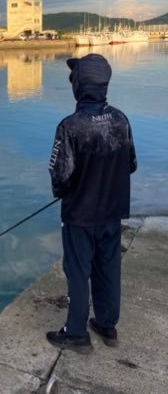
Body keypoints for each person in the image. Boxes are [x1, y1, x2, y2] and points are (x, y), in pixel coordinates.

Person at [46, 53, 137, 354]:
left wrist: (65, 191)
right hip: (113, 213)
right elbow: (131, 164)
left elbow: (60, 176)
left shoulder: (70, 126)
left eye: (74, 78)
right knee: (108, 268)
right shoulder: (121, 120)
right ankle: (108, 325)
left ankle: (76, 333)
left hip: (80, 216)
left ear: (80, 85)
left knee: (77, 271)